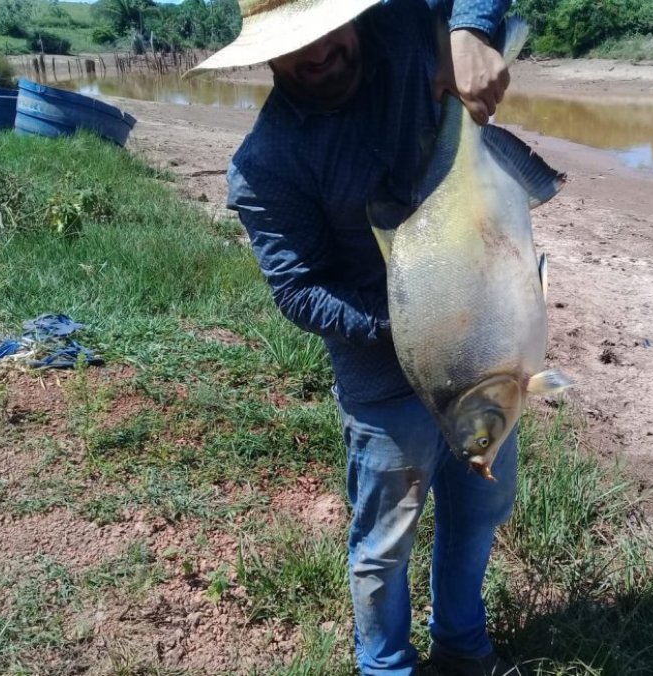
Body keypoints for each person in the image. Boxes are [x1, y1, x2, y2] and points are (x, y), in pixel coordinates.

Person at [187, 1, 522, 674]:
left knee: (482, 504)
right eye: (292, 46)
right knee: (384, 545)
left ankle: (462, 648)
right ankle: (386, 667)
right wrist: (416, 317)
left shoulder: (404, 23)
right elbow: (300, 292)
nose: (315, 54)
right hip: (382, 385)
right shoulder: (264, 166)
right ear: (263, 55)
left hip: (483, 351)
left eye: (325, 29)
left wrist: (473, 30)